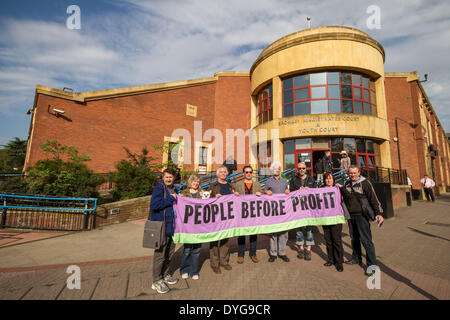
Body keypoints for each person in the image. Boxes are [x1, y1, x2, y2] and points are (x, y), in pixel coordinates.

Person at [338, 165, 384, 276]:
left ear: (359, 173)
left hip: (362, 216)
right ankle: (356, 258)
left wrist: (378, 213)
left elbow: (373, 199)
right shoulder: (347, 184)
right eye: (350, 173)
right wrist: (340, 188)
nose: (352, 175)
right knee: (354, 239)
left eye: (354, 173)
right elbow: (346, 197)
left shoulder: (365, 183)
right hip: (351, 216)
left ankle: (372, 266)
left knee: (366, 241)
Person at [149, 168, 179, 294]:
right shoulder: (159, 188)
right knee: (160, 255)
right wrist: (171, 199)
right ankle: (156, 280)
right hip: (161, 226)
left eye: (170, 177)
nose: (168, 179)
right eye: (166, 177)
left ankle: (165, 275)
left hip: (172, 226)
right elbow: (154, 205)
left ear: (174, 178)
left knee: (169, 253)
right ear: (163, 177)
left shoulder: (175, 189)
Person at [207, 165, 235, 274]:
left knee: (225, 240)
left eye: (225, 172)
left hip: (227, 216)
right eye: (221, 172)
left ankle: (224, 261)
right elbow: (206, 199)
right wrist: (214, 197)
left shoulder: (230, 185)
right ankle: (215, 263)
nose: (223, 174)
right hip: (215, 216)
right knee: (214, 240)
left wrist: (236, 194)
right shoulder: (212, 186)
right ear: (217, 174)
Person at [233, 165, 263, 264]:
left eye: (250, 172)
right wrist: (235, 195)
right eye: (247, 172)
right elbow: (233, 199)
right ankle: (241, 254)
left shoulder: (258, 185)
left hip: (254, 214)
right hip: (242, 214)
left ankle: (253, 254)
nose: (249, 174)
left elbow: (263, 198)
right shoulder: (238, 184)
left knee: (253, 234)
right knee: (241, 234)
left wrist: (261, 195)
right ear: (243, 174)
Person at [289, 161, 317, 261]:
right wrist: (298, 191)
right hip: (298, 209)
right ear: (297, 169)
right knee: (299, 230)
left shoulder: (311, 179)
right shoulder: (293, 180)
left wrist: (309, 189)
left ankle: (308, 249)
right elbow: (291, 194)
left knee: (310, 230)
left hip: (309, 208)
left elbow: (316, 192)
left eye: (303, 168)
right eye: (299, 168)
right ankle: (301, 248)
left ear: (306, 169)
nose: (301, 170)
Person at [264, 162, 290, 263]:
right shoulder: (268, 182)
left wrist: (288, 192)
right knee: (274, 233)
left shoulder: (284, 181)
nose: (277, 170)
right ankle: (273, 253)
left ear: (280, 170)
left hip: (283, 212)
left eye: (278, 169)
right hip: (273, 211)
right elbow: (264, 194)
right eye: (275, 169)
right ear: (272, 171)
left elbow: (288, 193)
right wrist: (266, 192)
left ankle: (282, 253)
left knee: (284, 233)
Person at [321, 172, 346, 272]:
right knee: (328, 240)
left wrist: (341, 188)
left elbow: (347, 196)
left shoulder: (338, 189)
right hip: (325, 219)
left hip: (336, 219)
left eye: (330, 178)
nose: (328, 180)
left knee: (337, 241)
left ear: (333, 179)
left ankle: (339, 262)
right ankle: (331, 259)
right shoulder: (320, 190)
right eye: (326, 179)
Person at [178, 174, 202, 280]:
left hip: (199, 225)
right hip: (187, 226)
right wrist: (180, 199)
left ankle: (194, 271)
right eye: (194, 181)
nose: (196, 183)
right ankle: (184, 270)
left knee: (197, 250)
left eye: (197, 181)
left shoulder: (202, 193)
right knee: (187, 249)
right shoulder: (184, 193)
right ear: (190, 182)